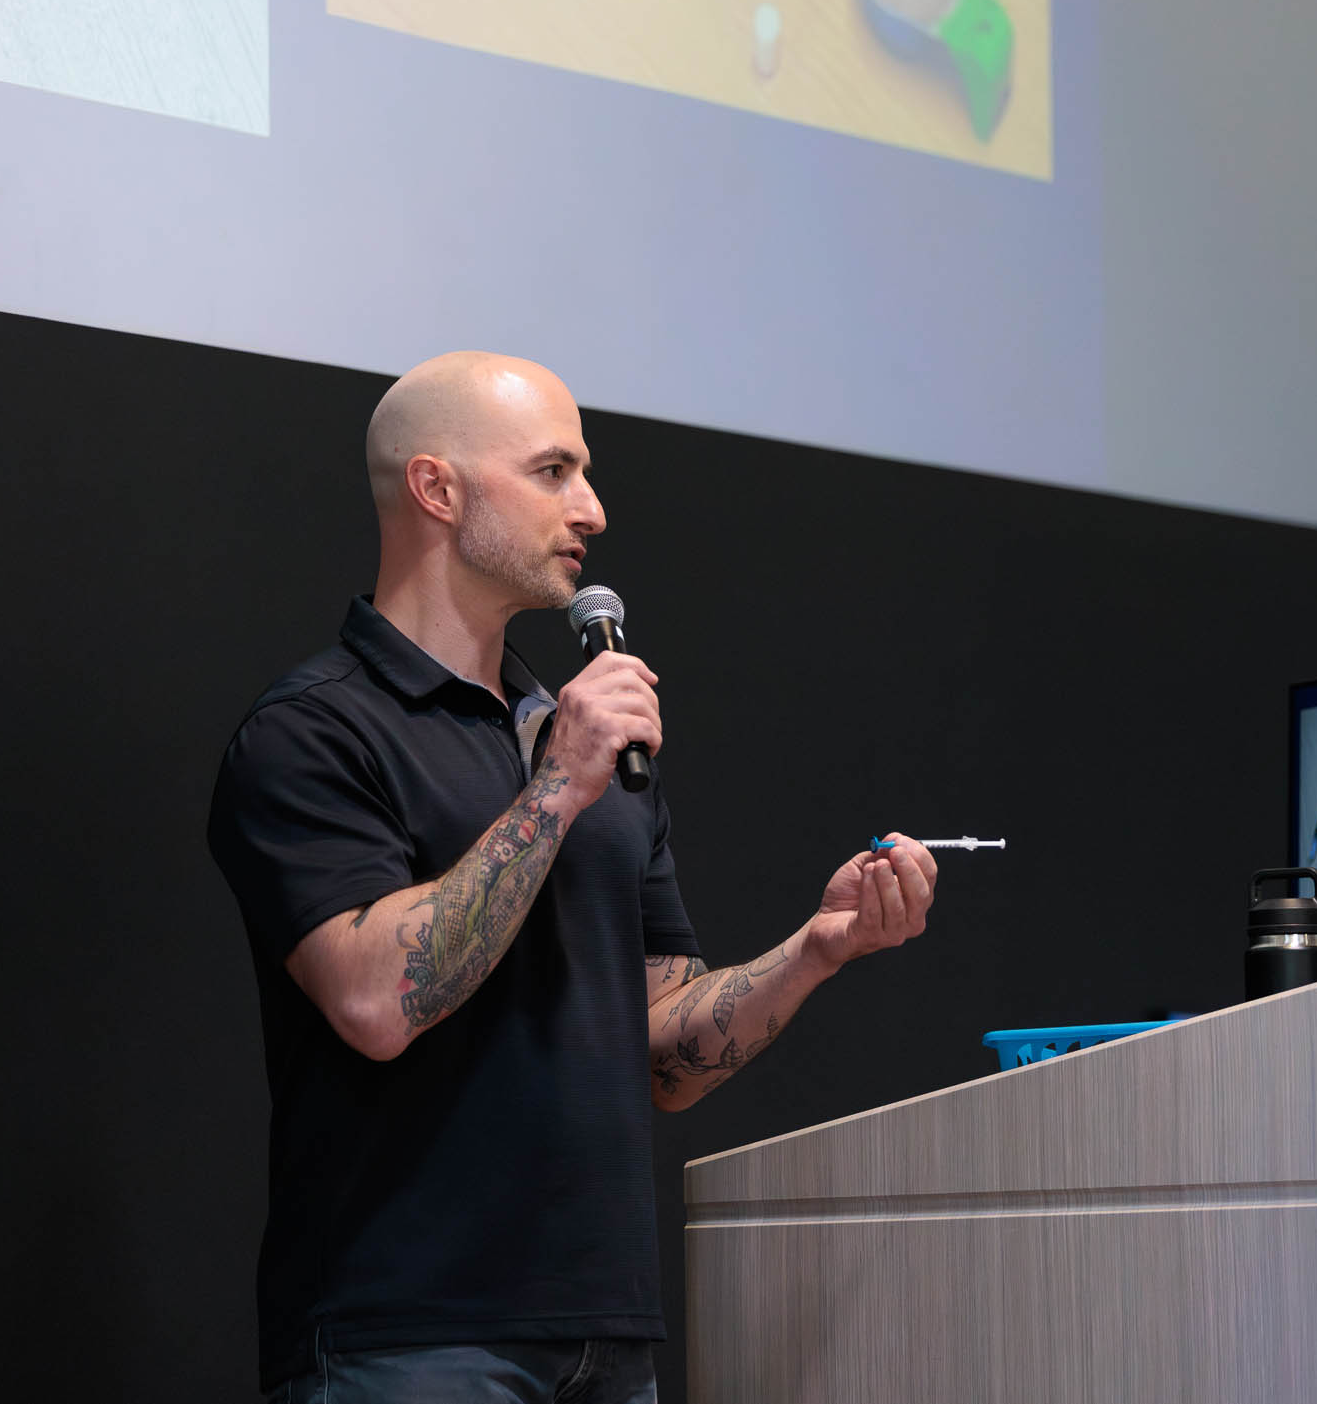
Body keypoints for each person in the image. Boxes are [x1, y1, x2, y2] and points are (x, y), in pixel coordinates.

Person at [207, 352, 940, 1402]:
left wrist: (816, 950)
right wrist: (556, 790)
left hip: (605, 1334)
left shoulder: (580, 739)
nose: (590, 508)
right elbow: (375, 996)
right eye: (554, 471)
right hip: (408, 1339)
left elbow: (665, 1055)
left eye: (585, 473)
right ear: (437, 488)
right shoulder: (317, 730)